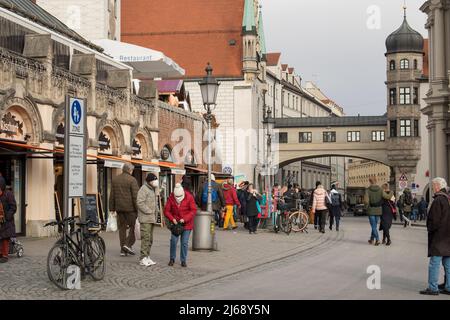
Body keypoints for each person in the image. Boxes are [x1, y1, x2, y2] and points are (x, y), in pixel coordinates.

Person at [420, 177, 450, 296]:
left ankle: (433, 288)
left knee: (434, 263)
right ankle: (448, 287)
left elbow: (434, 220)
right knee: (448, 263)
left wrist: (430, 229)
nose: (432, 188)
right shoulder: (448, 198)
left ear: (438, 186)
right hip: (448, 236)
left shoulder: (438, 200)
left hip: (439, 237)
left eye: (433, 186)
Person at [109, 162, 139, 257]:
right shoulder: (132, 180)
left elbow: (112, 195)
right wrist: (138, 210)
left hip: (119, 209)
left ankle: (122, 250)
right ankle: (127, 245)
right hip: (130, 209)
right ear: (129, 170)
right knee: (134, 228)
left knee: (122, 229)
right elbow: (135, 197)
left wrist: (112, 208)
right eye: (132, 170)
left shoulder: (115, 179)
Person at [164, 183, 197, 268]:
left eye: (179, 197)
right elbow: (167, 211)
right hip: (176, 223)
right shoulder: (171, 197)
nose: (178, 199)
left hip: (187, 223)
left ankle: (183, 260)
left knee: (184, 242)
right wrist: (172, 219)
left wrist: (185, 219)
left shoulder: (189, 197)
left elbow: (193, 210)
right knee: (173, 241)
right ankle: (172, 258)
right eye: (176, 197)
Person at [136, 173, 159, 267]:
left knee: (150, 239)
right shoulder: (143, 189)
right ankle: (142, 258)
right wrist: (149, 211)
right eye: (154, 180)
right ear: (150, 181)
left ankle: (147, 256)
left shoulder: (152, 189)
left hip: (151, 218)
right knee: (145, 238)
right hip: (145, 218)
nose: (156, 182)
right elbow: (139, 202)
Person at [0, 176, 16, 264]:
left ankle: (5, 255)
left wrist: (7, 216)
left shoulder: (8, 194)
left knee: (5, 238)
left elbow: (13, 207)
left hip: (7, 221)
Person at [364, 176, 383, 246]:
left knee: (373, 226)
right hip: (378, 210)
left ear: (370, 181)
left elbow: (366, 201)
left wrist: (366, 207)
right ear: (376, 181)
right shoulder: (380, 189)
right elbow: (385, 196)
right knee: (374, 225)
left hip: (371, 210)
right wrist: (391, 193)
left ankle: (377, 239)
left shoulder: (367, 190)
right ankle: (372, 239)